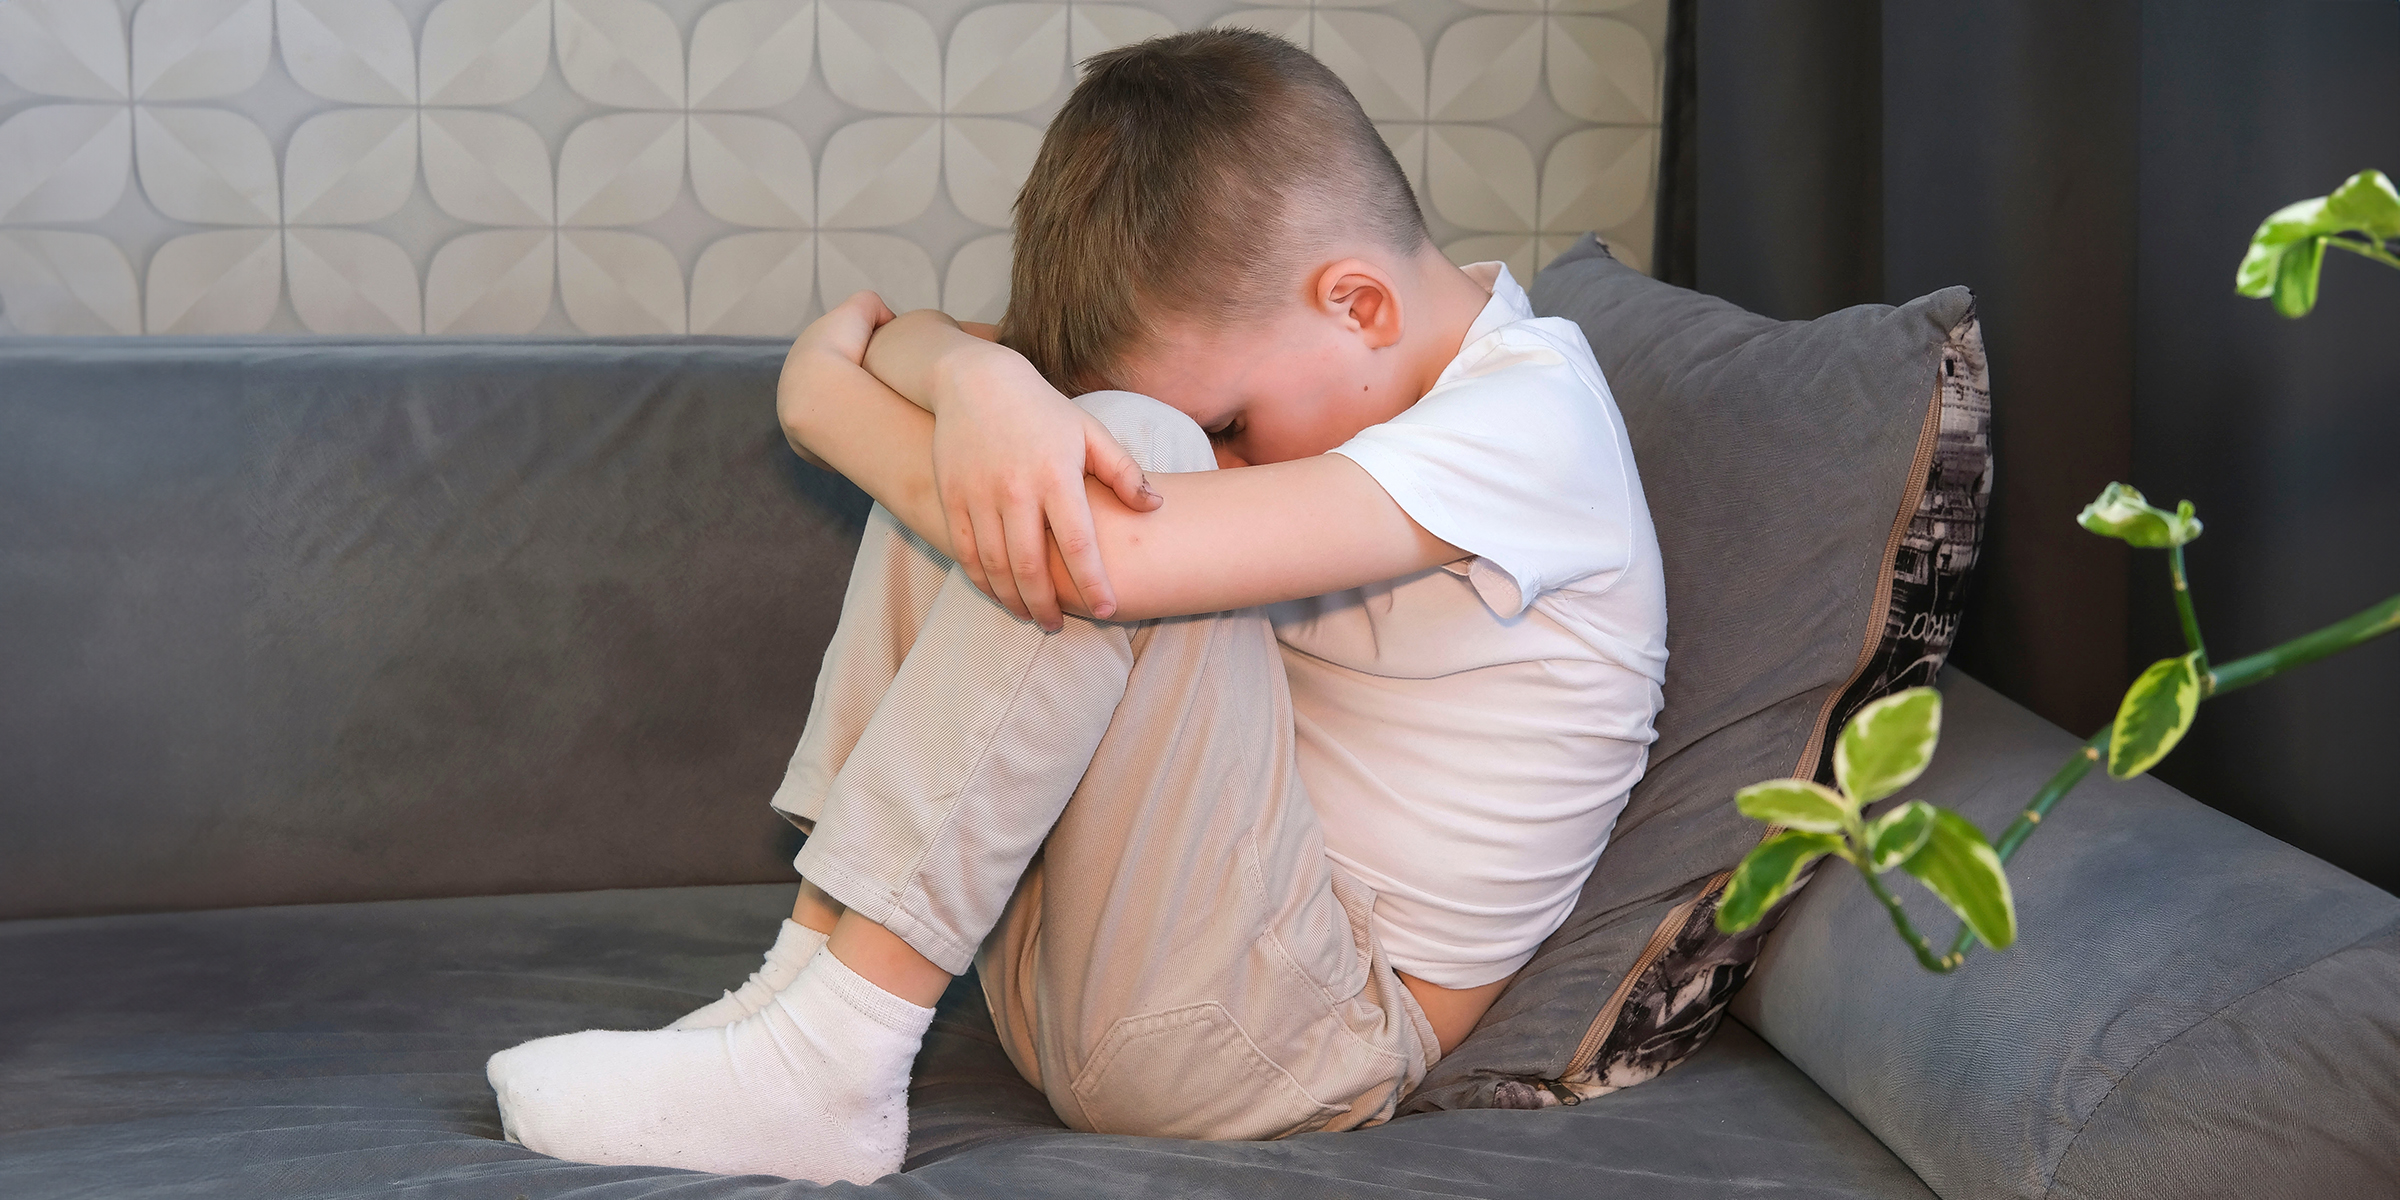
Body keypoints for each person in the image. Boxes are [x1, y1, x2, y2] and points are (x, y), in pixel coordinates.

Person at [485, 28, 1667, 1185]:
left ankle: (830, 1058)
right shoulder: (1349, 350)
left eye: (1233, 424)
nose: (1224, 453)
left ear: (1358, 305)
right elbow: (916, 352)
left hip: (1294, 1041)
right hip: (1096, 969)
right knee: (1019, 457)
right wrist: (975, 379)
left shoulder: (1533, 423)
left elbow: (1091, 554)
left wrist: (822, 406)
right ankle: (800, 997)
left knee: (1083, 474)